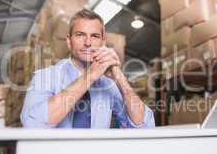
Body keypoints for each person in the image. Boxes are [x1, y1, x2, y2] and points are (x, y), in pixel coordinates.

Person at [21, 9, 155, 128]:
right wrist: (90, 76)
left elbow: (145, 125)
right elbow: (32, 124)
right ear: (69, 41)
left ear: (103, 43)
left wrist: (119, 77)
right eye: (80, 35)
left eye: (95, 36)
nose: (88, 43)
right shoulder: (46, 77)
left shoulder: (108, 84)